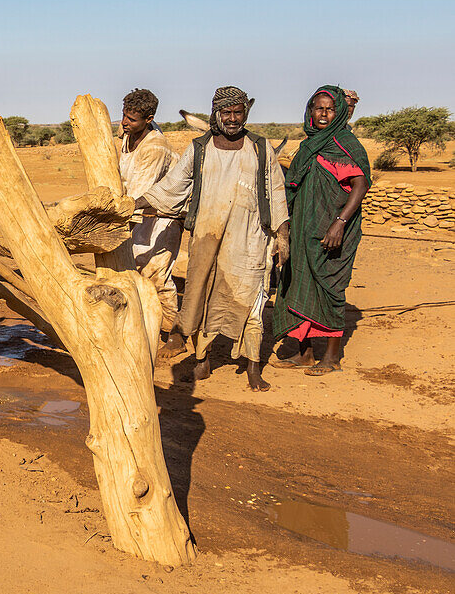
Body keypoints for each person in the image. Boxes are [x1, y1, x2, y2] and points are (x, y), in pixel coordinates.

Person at [137, 86, 289, 391]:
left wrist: (282, 236)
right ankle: (202, 359)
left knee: (252, 299)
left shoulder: (260, 148)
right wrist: (133, 203)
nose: (233, 119)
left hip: (249, 239)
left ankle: (253, 367)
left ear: (246, 113)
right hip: (207, 236)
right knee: (201, 295)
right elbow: (172, 187)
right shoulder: (199, 148)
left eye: (239, 112)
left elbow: (275, 192)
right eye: (227, 113)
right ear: (215, 114)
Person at [272, 86, 370, 375]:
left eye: (330, 108)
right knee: (300, 284)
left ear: (339, 111)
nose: (324, 113)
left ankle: (331, 358)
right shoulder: (308, 146)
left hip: (332, 231)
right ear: (310, 110)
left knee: (329, 289)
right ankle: (304, 354)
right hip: (304, 230)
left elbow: (360, 185)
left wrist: (339, 222)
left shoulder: (345, 144)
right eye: (318, 107)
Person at [117, 89, 184, 351]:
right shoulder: (127, 136)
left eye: (131, 119)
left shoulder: (156, 148)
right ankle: (146, 325)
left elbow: (139, 193)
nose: (124, 122)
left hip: (163, 216)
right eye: (123, 115)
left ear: (149, 118)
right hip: (139, 213)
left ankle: (174, 332)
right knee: (135, 268)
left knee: (157, 274)